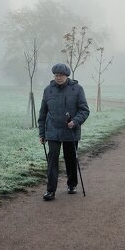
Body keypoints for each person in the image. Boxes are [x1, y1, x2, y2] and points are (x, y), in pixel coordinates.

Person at [37, 62, 89, 201]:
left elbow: (84, 110)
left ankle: (72, 184)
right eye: (56, 75)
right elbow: (43, 114)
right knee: (52, 160)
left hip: (70, 131)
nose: (58, 78)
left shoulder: (77, 89)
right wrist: (42, 133)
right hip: (53, 131)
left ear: (67, 76)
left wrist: (75, 121)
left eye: (61, 75)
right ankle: (50, 190)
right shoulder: (48, 90)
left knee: (71, 159)